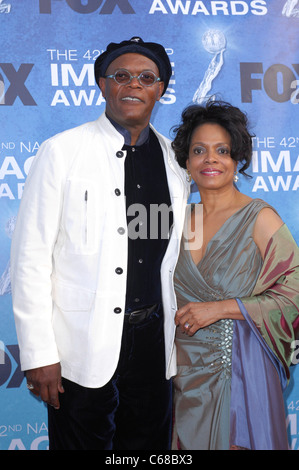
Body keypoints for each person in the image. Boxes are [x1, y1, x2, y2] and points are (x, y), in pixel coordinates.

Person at [10, 37, 190, 450]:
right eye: (121, 75)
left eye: (146, 78)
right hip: (81, 349)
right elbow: (30, 259)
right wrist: (39, 354)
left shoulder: (174, 160)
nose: (133, 85)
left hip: (152, 349)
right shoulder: (62, 151)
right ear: (102, 84)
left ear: (160, 89)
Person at [170, 100, 299, 450]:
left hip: (242, 370)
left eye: (222, 150)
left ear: (238, 159)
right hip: (184, 372)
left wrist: (222, 308)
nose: (210, 159)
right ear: (186, 160)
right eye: (199, 150)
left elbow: (294, 293)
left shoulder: (259, 217)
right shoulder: (176, 222)